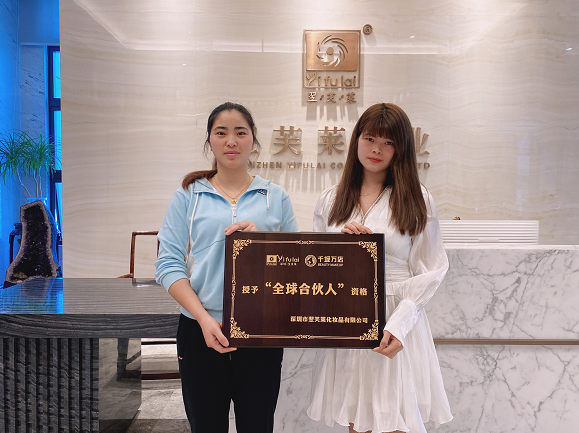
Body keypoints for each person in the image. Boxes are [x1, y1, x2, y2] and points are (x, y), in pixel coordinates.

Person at [307, 103, 453, 433]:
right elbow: (314, 265)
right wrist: (340, 250)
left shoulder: (417, 198)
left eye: (388, 142)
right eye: (370, 138)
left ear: (401, 148)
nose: (376, 149)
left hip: (395, 317)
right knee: (357, 421)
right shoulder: (331, 199)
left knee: (396, 420)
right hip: (348, 316)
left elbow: (432, 267)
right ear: (356, 139)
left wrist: (402, 322)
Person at [155, 102, 299, 433]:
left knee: (257, 426)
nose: (231, 141)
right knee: (206, 426)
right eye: (221, 133)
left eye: (240, 132)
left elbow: (294, 264)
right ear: (210, 140)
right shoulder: (188, 195)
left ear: (253, 139)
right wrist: (203, 319)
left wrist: (262, 243)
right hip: (199, 328)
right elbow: (168, 263)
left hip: (261, 329)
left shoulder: (275, 197)